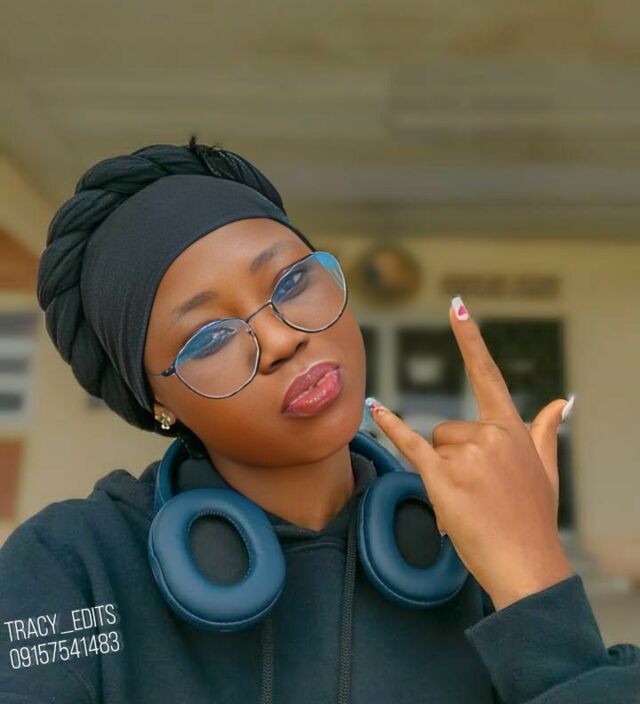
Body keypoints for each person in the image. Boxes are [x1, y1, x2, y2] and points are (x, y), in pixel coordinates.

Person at [0, 138, 637, 703]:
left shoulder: (468, 542)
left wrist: (534, 578)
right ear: (157, 401)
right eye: (210, 337)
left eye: (292, 282)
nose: (282, 340)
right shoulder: (73, 566)